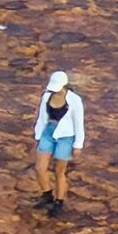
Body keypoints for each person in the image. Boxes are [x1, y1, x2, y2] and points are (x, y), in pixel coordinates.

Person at [31, 70, 87, 212]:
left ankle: (59, 201)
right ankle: (47, 194)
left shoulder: (74, 100)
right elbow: (42, 118)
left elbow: (79, 124)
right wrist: (38, 136)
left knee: (59, 171)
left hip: (66, 136)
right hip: (49, 132)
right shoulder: (46, 96)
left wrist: (78, 145)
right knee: (40, 168)